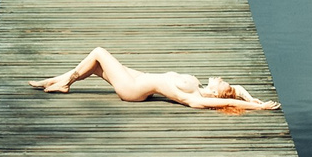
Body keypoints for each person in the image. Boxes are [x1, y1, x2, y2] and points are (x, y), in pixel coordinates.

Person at [28, 47, 280, 113]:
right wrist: (249, 95)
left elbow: (227, 103)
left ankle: (64, 83)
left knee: (99, 52)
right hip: (141, 78)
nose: (220, 78)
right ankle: (51, 81)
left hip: (133, 90)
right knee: (94, 67)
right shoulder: (204, 88)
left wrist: (257, 107)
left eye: (221, 82)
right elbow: (234, 92)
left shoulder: (195, 98)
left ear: (215, 94)